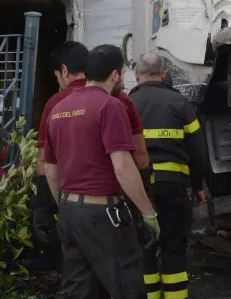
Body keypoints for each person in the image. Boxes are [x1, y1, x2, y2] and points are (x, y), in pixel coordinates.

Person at [42, 44, 166, 299]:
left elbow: (49, 168)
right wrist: (148, 212)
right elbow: (124, 165)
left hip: (70, 211)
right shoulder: (110, 106)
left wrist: (66, 208)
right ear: (115, 74)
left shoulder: (59, 107)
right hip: (104, 213)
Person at [34, 42, 148, 269]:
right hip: (114, 207)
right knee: (123, 279)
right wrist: (144, 205)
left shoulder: (55, 104)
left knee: (81, 282)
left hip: (72, 207)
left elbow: (45, 164)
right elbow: (139, 155)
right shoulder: (120, 100)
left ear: (64, 71)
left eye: (57, 76)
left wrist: (47, 208)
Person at [129, 52, 206, 299]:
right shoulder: (180, 103)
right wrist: (198, 185)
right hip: (174, 188)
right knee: (174, 249)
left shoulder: (126, 104)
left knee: (144, 251)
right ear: (163, 74)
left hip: (139, 191)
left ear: (136, 76)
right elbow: (198, 151)